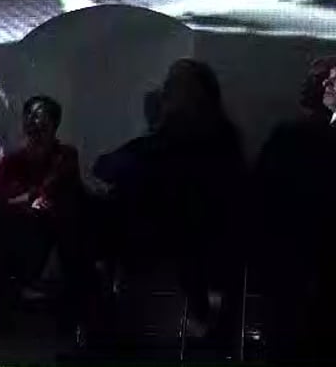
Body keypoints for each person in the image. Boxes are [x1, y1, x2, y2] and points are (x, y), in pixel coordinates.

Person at [91, 59, 245, 341]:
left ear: (196, 93)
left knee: (109, 212)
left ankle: (102, 312)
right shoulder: (174, 136)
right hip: (166, 228)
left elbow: (157, 171)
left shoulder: (209, 138)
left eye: (174, 85)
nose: (166, 90)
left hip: (191, 233)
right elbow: (110, 165)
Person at [255, 52, 336, 363]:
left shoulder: (297, 138)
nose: (327, 82)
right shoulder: (295, 138)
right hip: (300, 290)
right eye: (327, 76)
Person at [0, 93, 90, 333]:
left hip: (54, 227)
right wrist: (25, 201)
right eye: (29, 115)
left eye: (39, 115)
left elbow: (52, 189)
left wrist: (25, 198)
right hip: (16, 224)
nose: (33, 120)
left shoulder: (64, 155)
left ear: (53, 123)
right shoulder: (13, 160)